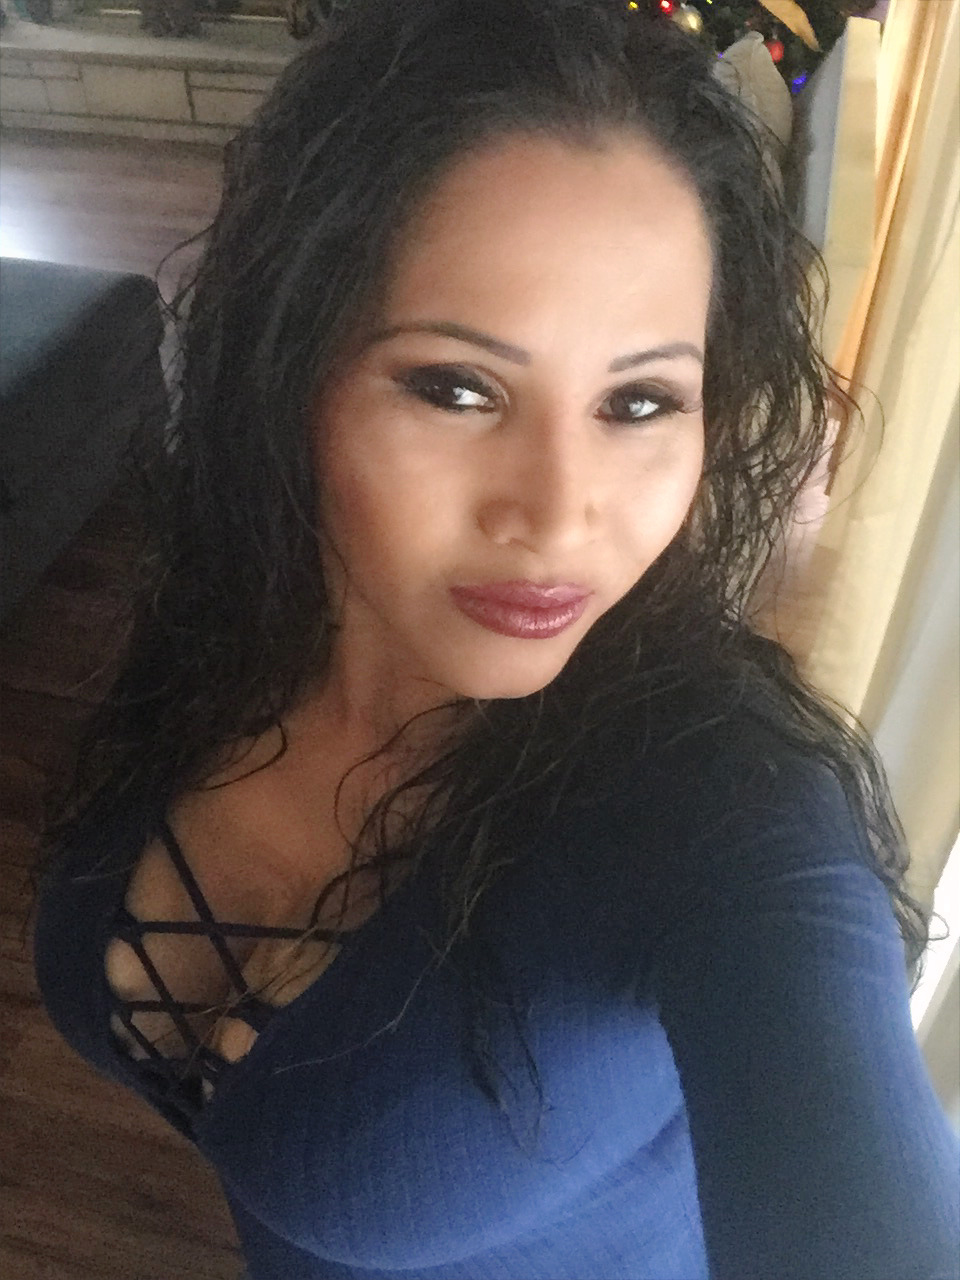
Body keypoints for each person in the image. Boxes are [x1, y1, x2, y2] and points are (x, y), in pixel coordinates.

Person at [31, 1, 960, 1277]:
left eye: (641, 401)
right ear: (287, 362)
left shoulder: (733, 809)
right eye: (458, 387)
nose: (560, 513)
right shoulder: (226, 618)